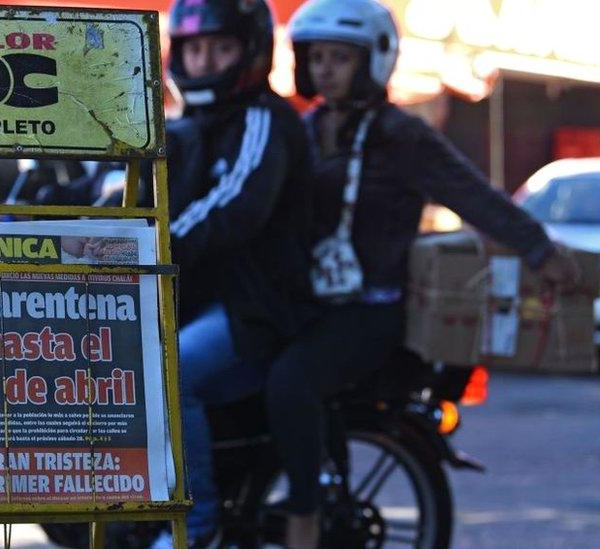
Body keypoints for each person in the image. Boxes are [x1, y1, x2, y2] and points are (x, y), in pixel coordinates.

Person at [268, 1, 582, 547]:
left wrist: (537, 247)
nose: (325, 70)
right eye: (316, 57)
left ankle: (305, 514)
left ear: (375, 61)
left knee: (291, 383)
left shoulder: (399, 133)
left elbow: (472, 193)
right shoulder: (306, 127)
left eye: (340, 58)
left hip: (372, 310)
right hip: (312, 301)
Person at [147, 0, 314, 546]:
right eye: (194, 48)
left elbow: (235, 203)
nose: (205, 60)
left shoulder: (264, 118)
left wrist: (155, 243)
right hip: (197, 296)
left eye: (221, 47)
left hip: (255, 306)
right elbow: (134, 193)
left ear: (253, 50)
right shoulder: (187, 124)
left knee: (171, 375)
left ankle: (196, 528)